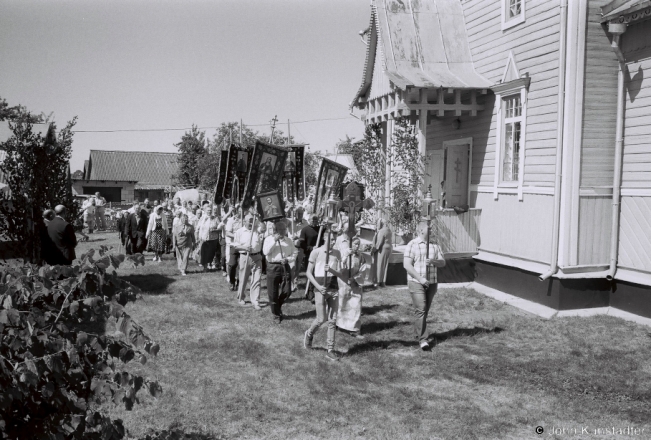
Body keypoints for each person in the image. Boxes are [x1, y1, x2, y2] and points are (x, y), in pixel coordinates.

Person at [403, 221, 446, 351]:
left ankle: (418, 333)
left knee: (424, 310)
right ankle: (423, 340)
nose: (432, 231)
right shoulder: (412, 244)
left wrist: (433, 261)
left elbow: (443, 263)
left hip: (432, 282)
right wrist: (420, 279)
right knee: (421, 309)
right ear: (421, 230)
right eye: (429, 228)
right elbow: (407, 265)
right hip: (416, 282)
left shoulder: (435, 245)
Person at [303, 231, 341, 361]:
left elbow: (340, 273)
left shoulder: (337, 253)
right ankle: (309, 333)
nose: (334, 242)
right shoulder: (316, 252)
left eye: (335, 240)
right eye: (331, 240)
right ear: (325, 238)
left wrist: (331, 270)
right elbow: (308, 273)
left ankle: (330, 349)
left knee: (333, 320)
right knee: (321, 319)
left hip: (334, 289)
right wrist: (318, 287)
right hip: (320, 289)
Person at [263, 219, 297, 323]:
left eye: (284, 229)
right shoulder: (268, 239)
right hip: (272, 267)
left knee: (287, 291)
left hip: (284, 266)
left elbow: (295, 253)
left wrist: (288, 259)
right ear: (275, 230)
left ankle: (277, 305)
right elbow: (266, 252)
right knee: (272, 293)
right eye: (280, 229)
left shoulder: (289, 240)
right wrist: (274, 240)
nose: (282, 231)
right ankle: (276, 315)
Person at [336, 237, 369, 338]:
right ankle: (340, 325)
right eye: (355, 244)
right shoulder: (343, 254)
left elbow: (363, 269)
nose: (357, 246)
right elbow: (339, 267)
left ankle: (354, 329)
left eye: (358, 244)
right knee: (342, 304)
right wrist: (346, 256)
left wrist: (355, 278)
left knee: (355, 305)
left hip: (355, 283)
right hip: (344, 283)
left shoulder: (360, 256)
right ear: (350, 245)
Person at [232, 214, 264, 308]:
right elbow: (235, 245)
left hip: (257, 256)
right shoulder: (240, 231)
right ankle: (241, 297)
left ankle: (255, 300)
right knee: (243, 278)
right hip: (245, 256)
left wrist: (259, 219)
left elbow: (263, 229)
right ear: (244, 221)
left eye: (252, 220)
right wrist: (244, 247)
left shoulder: (257, 230)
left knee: (257, 279)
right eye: (249, 221)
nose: (251, 223)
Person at [299, 214, 322, 301]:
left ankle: (316, 291)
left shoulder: (320, 229)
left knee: (318, 273)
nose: (315, 222)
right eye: (313, 221)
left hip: (320, 254)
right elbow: (302, 243)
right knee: (310, 273)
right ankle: (310, 292)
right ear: (309, 220)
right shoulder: (305, 230)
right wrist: (311, 248)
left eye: (316, 221)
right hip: (309, 254)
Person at [224, 205, 243, 290]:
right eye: (239, 211)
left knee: (242, 266)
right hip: (234, 245)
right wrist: (237, 236)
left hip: (243, 246)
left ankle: (239, 283)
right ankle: (232, 282)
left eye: (242, 211)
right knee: (232, 264)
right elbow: (227, 233)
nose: (241, 213)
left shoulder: (245, 220)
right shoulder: (231, 221)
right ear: (235, 212)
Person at [197, 206, 221, 271]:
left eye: (210, 210)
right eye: (208, 210)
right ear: (205, 211)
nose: (209, 212)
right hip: (204, 238)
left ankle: (209, 264)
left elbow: (220, 228)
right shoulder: (202, 218)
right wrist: (198, 237)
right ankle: (205, 267)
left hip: (213, 239)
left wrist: (215, 230)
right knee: (204, 252)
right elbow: (198, 227)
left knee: (211, 253)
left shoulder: (215, 218)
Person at [372, 218, 393, 288]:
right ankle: (383, 282)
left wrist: (373, 250)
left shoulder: (382, 231)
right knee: (385, 265)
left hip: (382, 249)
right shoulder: (389, 230)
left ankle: (378, 282)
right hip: (388, 248)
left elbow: (379, 243)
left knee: (379, 265)